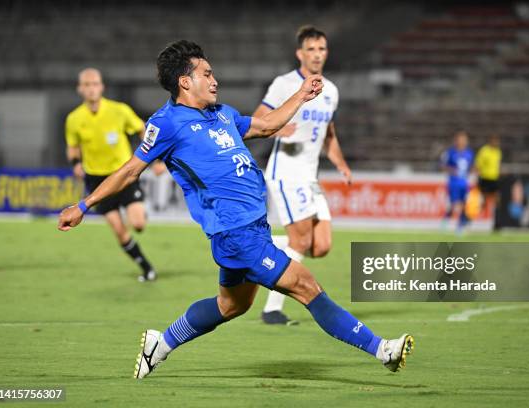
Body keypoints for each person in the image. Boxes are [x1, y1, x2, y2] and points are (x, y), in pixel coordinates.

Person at [57, 40, 414, 379]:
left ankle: (160, 344)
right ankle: (383, 350)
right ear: (185, 81)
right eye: (207, 74)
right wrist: (85, 204)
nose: (215, 80)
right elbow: (130, 170)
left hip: (252, 227)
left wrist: (302, 95)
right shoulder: (166, 124)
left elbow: (267, 124)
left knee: (231, 306)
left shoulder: (222, 114)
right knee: (307, 286)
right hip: (235, 232)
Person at [253, 26, 351, 325]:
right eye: (311, 49)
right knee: (302, 239)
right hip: (286, 172)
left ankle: (265, 244)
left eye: (321, 49)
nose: (317, 54)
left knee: (320, 246)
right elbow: (259, 118)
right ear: (300, 53)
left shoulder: (330, 90)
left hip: (310, 175)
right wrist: (278, 128)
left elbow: (329, 134)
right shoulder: (285, 84)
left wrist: (341, 163)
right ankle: (272, 309)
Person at [65, 68, 162, 282]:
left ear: (102, 87)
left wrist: (155, 157)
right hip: (97, 180)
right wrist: (75, 163)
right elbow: (72, 147)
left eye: (95, 83)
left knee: (138, 224)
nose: (91, 88)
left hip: (123, 174)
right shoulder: (73, 119)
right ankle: (147, 268)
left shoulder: (119, 110)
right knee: (119, 230)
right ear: (80, 89)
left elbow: (142, 130)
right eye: (87, 84)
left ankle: (136, 208)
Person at [441, 130, 474, 234]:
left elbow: (472, 166)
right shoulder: (450, 152)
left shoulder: (469, 153)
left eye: (464, 139)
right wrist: (452, 170)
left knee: (464, 205)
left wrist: (474, 171)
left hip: (464, 183)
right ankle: (446, 220)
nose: (462, 141)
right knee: (455, 205)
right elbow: (443, 165)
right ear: (456, 140)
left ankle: (459, 227)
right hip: (453, 183)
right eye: (460, 139)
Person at [475, 135, 502, 224]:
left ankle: (496, 221)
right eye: (494, 141)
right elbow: (478, 164)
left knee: (497, 200)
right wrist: (478, 177)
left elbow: (497, 165)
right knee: (484, 201)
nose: (496, 143)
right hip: (485, 178)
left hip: (494, 179)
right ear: (490, 141)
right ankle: (478, 219)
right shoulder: (484, 151)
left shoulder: (498, 152)